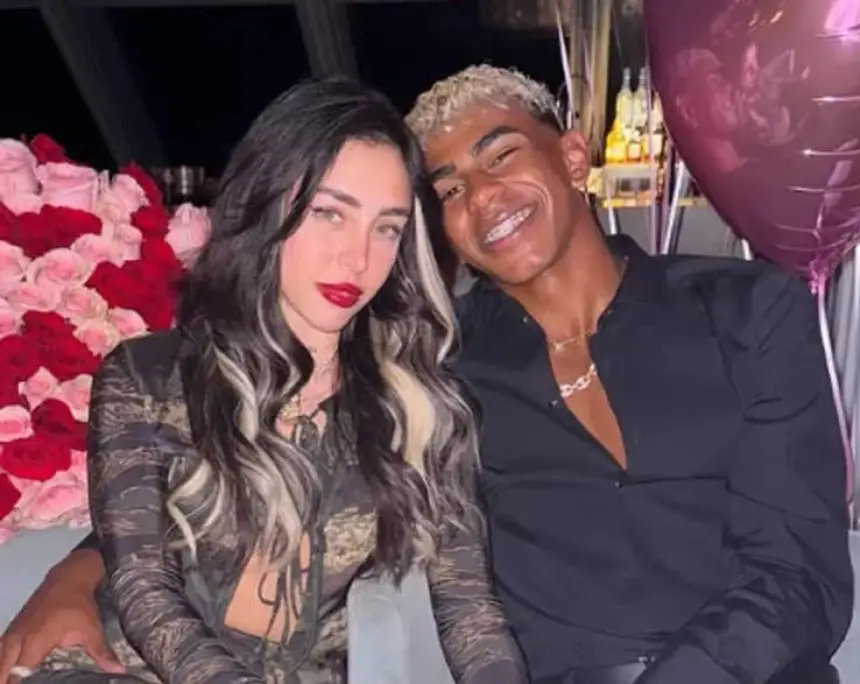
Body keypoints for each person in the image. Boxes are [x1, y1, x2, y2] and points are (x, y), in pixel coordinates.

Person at [1, 65, 854, 683]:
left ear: (571, 157)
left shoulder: (746, 312)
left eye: (500, 154)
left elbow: (802, 574)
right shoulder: (443, 364)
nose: (482, 196)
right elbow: (204, 473)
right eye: (447, 188)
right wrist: (78, 569)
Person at [0, 76, 527, 684]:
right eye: (329, 213)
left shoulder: (422, 405)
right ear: (267, 202)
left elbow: (470, 612)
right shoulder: (146, 377)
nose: (357, 258)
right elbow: (145, 591)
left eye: (386, 228)